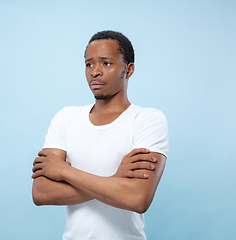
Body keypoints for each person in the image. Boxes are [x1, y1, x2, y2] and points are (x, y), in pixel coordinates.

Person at [31, 30, 169, 240]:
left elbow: (138, 198)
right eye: (89, 64)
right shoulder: (66, 117)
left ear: (129, 69)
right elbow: (41, 193)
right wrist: (115, 180)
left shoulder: (147, 119)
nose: (95, 72)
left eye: (106, 63)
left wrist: (64, 172)